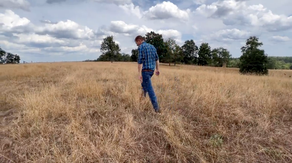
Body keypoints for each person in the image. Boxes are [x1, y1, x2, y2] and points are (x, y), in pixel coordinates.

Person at [135, 35, 161, 113]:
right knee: (144, 86)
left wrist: (139, 74)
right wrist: (157, 69)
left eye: (136, 43)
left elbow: (140, 62)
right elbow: (157, 59)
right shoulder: (152, 47)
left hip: (145, 71)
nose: (137, 44)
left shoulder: (141, 47)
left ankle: (157, 109)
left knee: (150, 89)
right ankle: (142, 103)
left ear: (139, 40)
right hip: (151, 71)